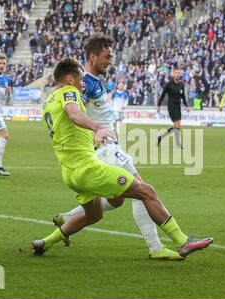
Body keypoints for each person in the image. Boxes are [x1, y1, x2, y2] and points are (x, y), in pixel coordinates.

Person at [32, 55, 213, 258]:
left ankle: (45, 243)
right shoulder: (68, 92)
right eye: (81, 80)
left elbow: (68, 126)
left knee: (94, 214)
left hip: (69, 173)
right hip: (88, 169)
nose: (83, 84)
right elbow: (74, 114)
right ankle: (183, 241)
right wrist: (97, 127)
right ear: (69, 79)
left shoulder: (48, 101)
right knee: (146, 191)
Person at [157, 69, 190, 149]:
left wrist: (186, 106)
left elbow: (183, 96)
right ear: (173, 75)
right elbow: (162, 95)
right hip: (171, 106)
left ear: (180, 75)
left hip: (178, 106)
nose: (177, 74)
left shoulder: (181, 84)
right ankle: (178, 144)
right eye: (176, 73)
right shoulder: (169, 84)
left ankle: (161, 137)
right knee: (177, 124)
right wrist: (159, 105)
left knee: (178, 125)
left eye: (179, 73)